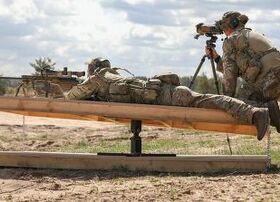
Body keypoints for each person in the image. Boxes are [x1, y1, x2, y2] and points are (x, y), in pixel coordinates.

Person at [65, 57, 273, 141]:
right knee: (212, 100)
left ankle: (255, 113)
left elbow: (73, 97)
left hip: (168, 97)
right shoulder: (113, 76)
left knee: (213, 100)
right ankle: (259, 110)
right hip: (169, 92)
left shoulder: (98, 78)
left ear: (94, 69)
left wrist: (64, 88)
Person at [206, 11, 280, 132]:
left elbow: (229, 77)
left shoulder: (231, 40)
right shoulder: (249, 34)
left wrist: (227, 101)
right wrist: (216, 58)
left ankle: (269, 110)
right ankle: (272, 112)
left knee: (239, 104)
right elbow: (236, 67)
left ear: (229, 26)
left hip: (267, 79)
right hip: (274, 77)